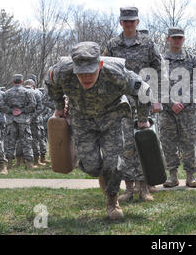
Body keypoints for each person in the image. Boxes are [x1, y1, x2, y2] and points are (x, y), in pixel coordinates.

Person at [46, 41, 152, 220]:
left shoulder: (117, 74)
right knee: (92, 167)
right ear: (74, 68)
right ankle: (103, 175)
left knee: (113, 163)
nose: (86, 77)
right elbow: (50, 83)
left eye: (91, 72)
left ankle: (112, 201)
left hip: (112, 117)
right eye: (81, 73)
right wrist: (58, 106)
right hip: (82, 119)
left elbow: (144, 91)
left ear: (100, 65)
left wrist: (142, 119)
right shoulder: (62, 72)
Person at [103, 6, 164, 201]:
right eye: (125, 21)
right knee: (125, 145)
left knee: (144, 143)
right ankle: (128, 188)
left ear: (138, 22)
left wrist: (157, 98)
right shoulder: (112, 45)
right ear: (121, 22)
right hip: (121, 102)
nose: (129, 24)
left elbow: (159, 71)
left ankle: (144, 187)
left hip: (143, 100)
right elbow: (105, 71)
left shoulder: (148, 43)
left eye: (132, 21)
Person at [160, 27, 196, 189]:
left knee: (189, 142)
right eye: (174, 38)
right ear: (167, 39)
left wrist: (183, 102)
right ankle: (172, 175)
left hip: (188, 109)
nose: (177, 40)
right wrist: (171, 103)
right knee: (168, 142)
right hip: (167, 110)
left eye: (180, 38)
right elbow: (157, 83)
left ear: (183, 39)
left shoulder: (192, 59)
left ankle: (191, 175)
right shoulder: (161, 60)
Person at [0, 74, 37, 169]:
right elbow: (33, 104)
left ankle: (9, 164)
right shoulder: (28, 92)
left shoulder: (7, 93)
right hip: (24, 120)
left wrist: (11, 111)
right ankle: (29, 164)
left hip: (11, 121)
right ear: (22, 81)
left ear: (13, 81)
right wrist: (22, 110)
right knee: (26, 142)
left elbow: (0, 105)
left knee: (10, 142)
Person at [23, 79, 46, 166]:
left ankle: (22, 161)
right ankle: (37, 161)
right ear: (33, 85)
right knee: (35, 140)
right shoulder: (37, 93)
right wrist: (32, 117)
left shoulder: (21, 92)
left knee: (24, 140)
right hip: (35, 120)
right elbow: (40, 108)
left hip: (22, 120)